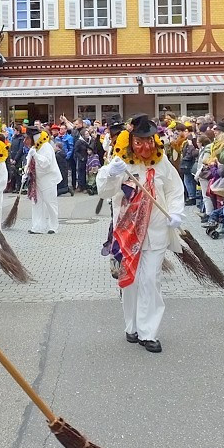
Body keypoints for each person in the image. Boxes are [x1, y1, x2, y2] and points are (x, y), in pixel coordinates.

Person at [97, 114, 184, 354]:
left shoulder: (162, 162)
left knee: (150, 280)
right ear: (131, 141)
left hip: (156, 232)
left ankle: (149, 332)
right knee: (131, 281)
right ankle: (132, 326)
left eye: (150, 141)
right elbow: (104, 192)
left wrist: (176, 212)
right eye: (139, 141)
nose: (146, 147)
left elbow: (175, 190)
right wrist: (112, 173)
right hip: (128, 233)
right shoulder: (121, 160)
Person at [23, 125, 61, 235]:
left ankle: (54, 226)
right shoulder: (34, 148)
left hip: (48, 179)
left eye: (28, 138)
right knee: (36, 203)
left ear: (34, 137)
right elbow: (29, 162)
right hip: (37, 180)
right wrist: (25, 172)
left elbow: (46, 163)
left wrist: (36, 156)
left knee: (50, 203)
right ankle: (37, 226)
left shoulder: (46, 147)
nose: (26, 141)